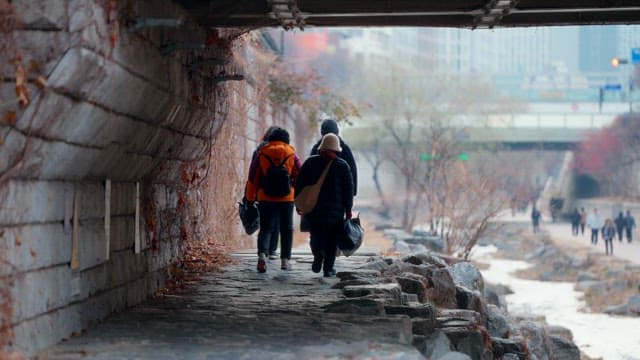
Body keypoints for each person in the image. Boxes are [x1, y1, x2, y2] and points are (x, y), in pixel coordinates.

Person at [296, 133, 353, 278]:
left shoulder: (310, 163)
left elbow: (300, 184)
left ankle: (318, 255)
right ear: (336, 150)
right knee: (332, 240)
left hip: (314, 209)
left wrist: (299, 203)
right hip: (336, 211)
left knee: (316, 235)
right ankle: (328, 268)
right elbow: (348, 189)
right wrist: (348, 209)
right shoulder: (342, 165)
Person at [245, 127, 301, 273]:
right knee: (287, 229)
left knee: (266, 228)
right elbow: (301, 176)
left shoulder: (262, 154)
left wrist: (250, 198)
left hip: (265, 197)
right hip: (287, 198)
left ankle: (262, 256)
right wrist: (299, 197)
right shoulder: (291, 154)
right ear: (286, 139)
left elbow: (253, 177)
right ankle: (285, 260)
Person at [247, 126, 281, 260]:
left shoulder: (259, 150)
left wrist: (251, 193)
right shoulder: (282, 150)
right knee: (277, 222)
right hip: (280, 192)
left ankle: (262, 250)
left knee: (265, 222)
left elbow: (252, 172)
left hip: (262, 192)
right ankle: (272, 250)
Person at [310, 119, 357, 196]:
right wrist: (352, 194)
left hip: (319, 196)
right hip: (339, 196)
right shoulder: (344, 149)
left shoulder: (316, 149)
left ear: (322, 132)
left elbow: (308, 172)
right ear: (337, 132)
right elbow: (352, 171)